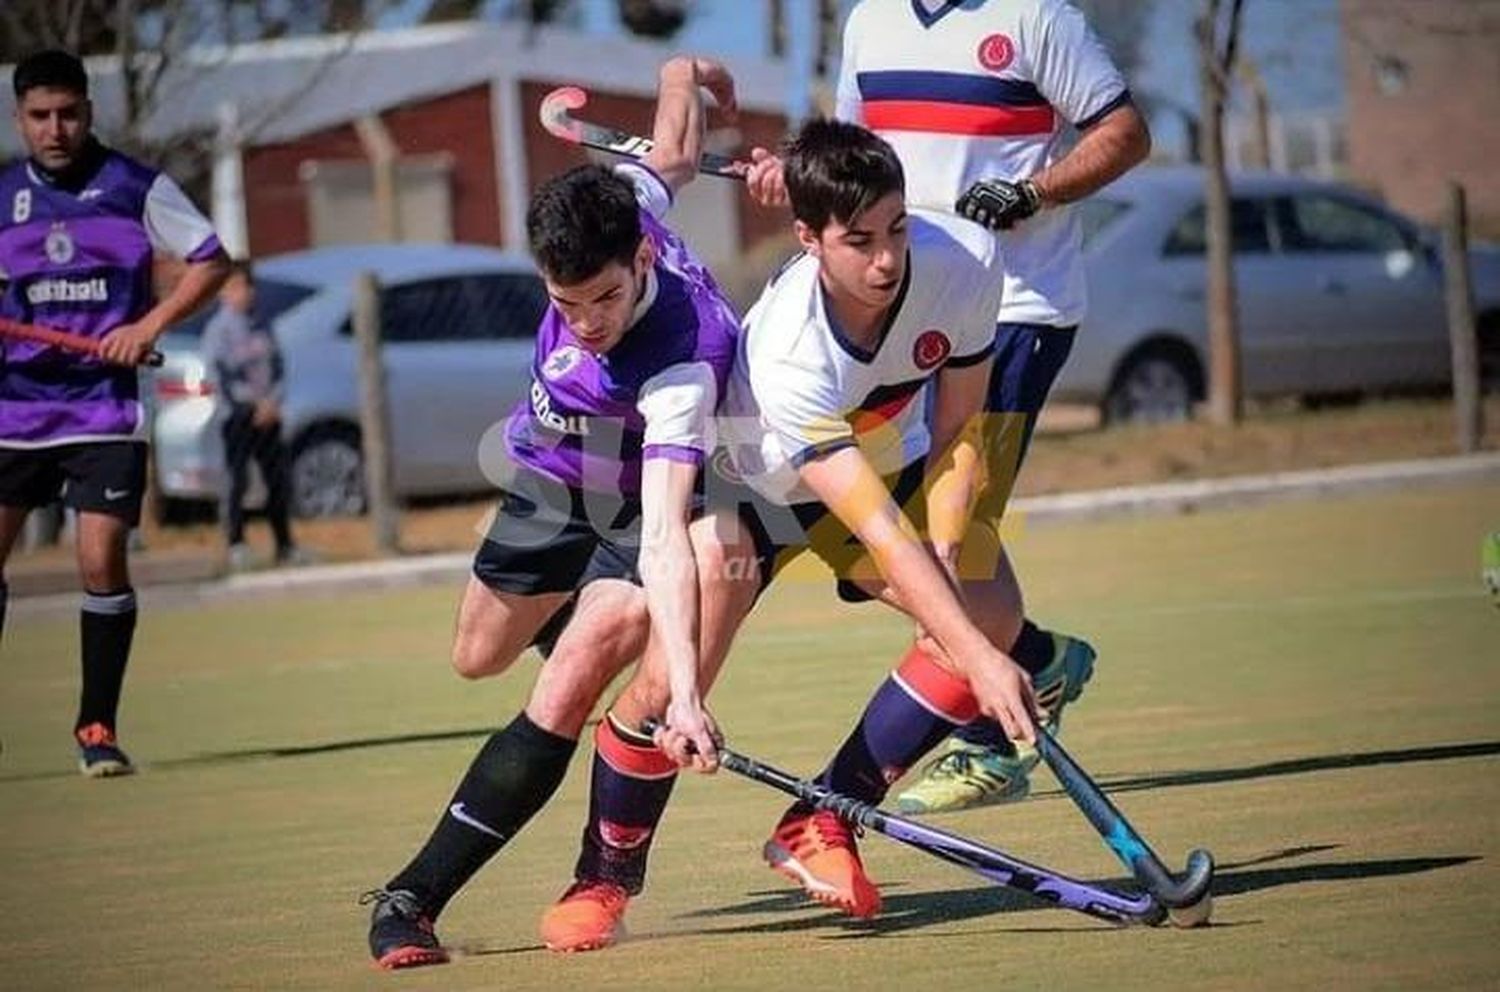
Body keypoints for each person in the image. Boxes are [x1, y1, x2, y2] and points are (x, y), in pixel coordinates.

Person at [537, 118, 1051, 950]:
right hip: (749, 482)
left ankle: (823, 817)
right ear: (809, 239)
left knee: (985, 608)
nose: (887, 260)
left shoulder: (965, 262)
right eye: (859, 241)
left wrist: (950, 568)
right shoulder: (786, 352)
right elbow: (877, 530)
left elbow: (962, 431)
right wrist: (969, 645)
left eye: (896, 230)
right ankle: (602, 877)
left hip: (886, 459)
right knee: (671, 683)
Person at [360, 55, 741, 970]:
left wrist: (685, 694)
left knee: (566, 682)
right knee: (474, 656)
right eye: (564, 302)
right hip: (544, 480)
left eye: (606, 298)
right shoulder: (624, 202)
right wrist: (683, 76)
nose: (585, 323)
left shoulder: (686, 358)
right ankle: (581, 628)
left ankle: (412, 898)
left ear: (644, 258)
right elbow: (675, 156)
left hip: (633, 496)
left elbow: (661, 532)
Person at [747, 0, 1152, 813]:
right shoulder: (870, 19)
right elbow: (850, 157)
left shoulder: (1038, 16)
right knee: (882, 558)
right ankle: (1034, 659)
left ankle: (992, 743)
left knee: (960, 543)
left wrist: (1031, 193)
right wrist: (794, 176)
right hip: (894, 313)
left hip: (1015, 313)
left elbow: (1125, 135)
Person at [0, 50, 229, 777]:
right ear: (19, 119)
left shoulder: (134, 186)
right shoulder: (3, 194)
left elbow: (211, 259)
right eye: (40, 116)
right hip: (14, 409)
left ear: (90, 112)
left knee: (98, 558)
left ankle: (96, 727)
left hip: (102, 408)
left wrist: (149, 325)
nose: (56, 128)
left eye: (68, 112)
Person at [200, 261, 301, 569]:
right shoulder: (218, 331)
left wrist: (272, 402)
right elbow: (219, 378)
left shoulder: (263, 324)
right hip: (238, 419)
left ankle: (285, 545)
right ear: (224, 292)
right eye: (239, 286)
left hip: (268, 416)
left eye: (249, 285)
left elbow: (279, 368)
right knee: (237, 481)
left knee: (277, 481)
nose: (247, 293)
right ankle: (236, 543)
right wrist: (252, 404)